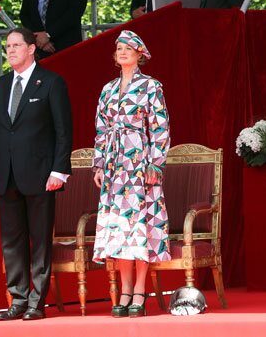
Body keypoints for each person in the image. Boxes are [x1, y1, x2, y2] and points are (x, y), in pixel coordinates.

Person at [0, 27, 73, 321]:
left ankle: (37, 301)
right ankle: (18, 299)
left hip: (41, 175)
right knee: (11, 242)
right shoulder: (1, 84)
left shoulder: (50, 83)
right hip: (6, 174)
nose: (10, 50)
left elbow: (63, 131)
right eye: (7, 46)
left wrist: (59, 171)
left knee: (40, 241)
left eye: (16, 45)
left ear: (31, 48)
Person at [92, 30, 171, 318]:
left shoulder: (151, 86)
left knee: (140, 224)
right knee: (120, 228)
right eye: (119, 48)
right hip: (114, 166)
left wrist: (156, 163)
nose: (123, 52)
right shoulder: (107, 89)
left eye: (129, 48)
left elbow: (160, 128)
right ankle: (124, 289)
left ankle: (140, 289)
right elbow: (100, 130)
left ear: (140, 54)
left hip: (140, 161)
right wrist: (99, 164)